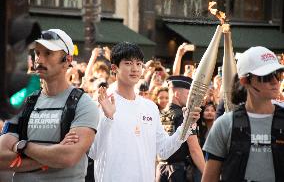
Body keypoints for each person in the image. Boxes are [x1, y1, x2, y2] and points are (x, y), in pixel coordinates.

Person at [88, 42, 201, 182]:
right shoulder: (102, 102)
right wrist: (108, 118)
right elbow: (94, 152)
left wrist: (186, 126)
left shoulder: (150, 107)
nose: (135, 69)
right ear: (114, 67)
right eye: (128, 63)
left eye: (139, 64)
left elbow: (163, 151)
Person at [0, 29, 99, 182]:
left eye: (48, 53)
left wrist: (22, 147)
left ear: (67, 60)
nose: (39, 60)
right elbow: (1, 158)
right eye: (37, 53)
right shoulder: (23, 102)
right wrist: (51, 158)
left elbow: (68, 157)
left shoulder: (84, 104)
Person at [202, 46, 284, 182]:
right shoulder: (224, 124)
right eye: (266, 76)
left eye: (277, 74)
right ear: (245, 81)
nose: (275, 81)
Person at [156, 75, 205, 182]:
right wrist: (208, 176)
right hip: (178, 173)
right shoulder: (184, 116)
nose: (191, 98)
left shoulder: (159, 115)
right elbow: (194, 149)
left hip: (160, 171)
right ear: (177, 94)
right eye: (188, 94)